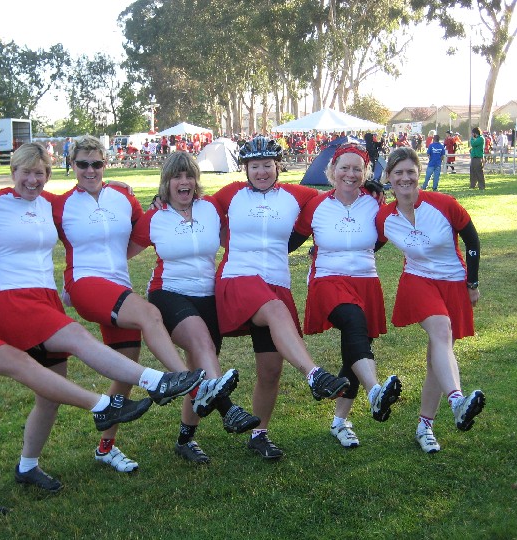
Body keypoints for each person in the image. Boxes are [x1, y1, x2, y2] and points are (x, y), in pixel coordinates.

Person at [0, 143, 207, 491]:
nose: (32, 180)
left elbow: (95, 202)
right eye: (25, 172)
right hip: (9, 298)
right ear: (13, 172)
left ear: (48, 176)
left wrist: (118, 187)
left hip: (46, 298)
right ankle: (156, 382)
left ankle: (28, 465)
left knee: (50, 394)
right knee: (77, 337)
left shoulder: (50, 204)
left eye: (39, 173)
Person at [57, 136, 239, 471]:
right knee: (149, 314)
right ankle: (185, 383)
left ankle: (105, 447)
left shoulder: (124, 197)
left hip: (119, 288)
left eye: (96, 163)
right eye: (82, 164)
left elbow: (142, 230)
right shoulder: (59, 204)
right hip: (85, 282)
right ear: (72, 165)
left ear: (105, 164)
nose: (90, 170)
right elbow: (28, 234)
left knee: (125, 369)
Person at [212, 136, 351, 460]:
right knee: (275, 310)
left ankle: (259, 435)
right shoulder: (230, 194)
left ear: (278, 166)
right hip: (238, 279)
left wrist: (369, 189)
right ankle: (315, 375)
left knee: (271, 370)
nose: (261, 172)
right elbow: (189, 201)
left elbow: (336, 197)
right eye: (254, 166)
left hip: (275, 284)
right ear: (246, 169)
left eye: (267, 165)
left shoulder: (297, 195)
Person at [129, 151, 261, 463]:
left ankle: (185, 439)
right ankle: (229, 410)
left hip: (208, 296)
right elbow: (119, 252)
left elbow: (244, 219)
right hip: (168, 292)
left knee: (199, 369)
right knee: (202, 343)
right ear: (166, 182)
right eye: (177, 176)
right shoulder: (154, 217)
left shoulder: (211, 208)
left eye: (189, 175)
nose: (184, 182)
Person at [291, 143, 402, 448]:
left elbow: (381, 238)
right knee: (353, 322)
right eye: (344, 168)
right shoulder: (316, 205)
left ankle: (340, 422)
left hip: (366, 281)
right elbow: (288, 242)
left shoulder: (375, 204)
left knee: (356, 350)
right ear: (332, 170)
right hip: (327, 280)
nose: (350, 174)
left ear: (366, 173)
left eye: (357, 169)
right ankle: (375, 391)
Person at [376, 147, 485, 454]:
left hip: (453, 282)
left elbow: (472, 241)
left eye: (411, 172)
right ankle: (457, 401)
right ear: (388, 177)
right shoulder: (384, 216)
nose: (405, 178)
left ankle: (425, 426)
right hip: (417, 280)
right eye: (398, 173)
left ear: (419, 174)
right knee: (440, 331)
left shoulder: (444, 204)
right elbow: (366, 243)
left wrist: (472, 283)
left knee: (438, 355)